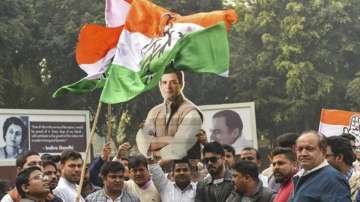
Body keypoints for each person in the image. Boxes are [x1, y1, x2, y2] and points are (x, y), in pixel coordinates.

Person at [137, 68, 203, 160]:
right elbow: (142, 141)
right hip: (158, 171)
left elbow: (179, 148)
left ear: (181, 84)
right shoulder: (154, 112)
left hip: (184, 170)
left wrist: (154, 152)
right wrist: (169, 139)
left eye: (173, 82)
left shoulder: (191, 112)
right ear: (160, 85)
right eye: (164, 82)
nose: (168, 86)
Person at [289, 130, 351, 202]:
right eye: (300, 149)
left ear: (323, 152)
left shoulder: (333, 179)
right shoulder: (300, 176)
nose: (303, 153)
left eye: (309, 149)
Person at [326, 136, 360, 201]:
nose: (322, 160)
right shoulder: (320, 179)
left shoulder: (358, 183)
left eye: (326, 156)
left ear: (339, 157)